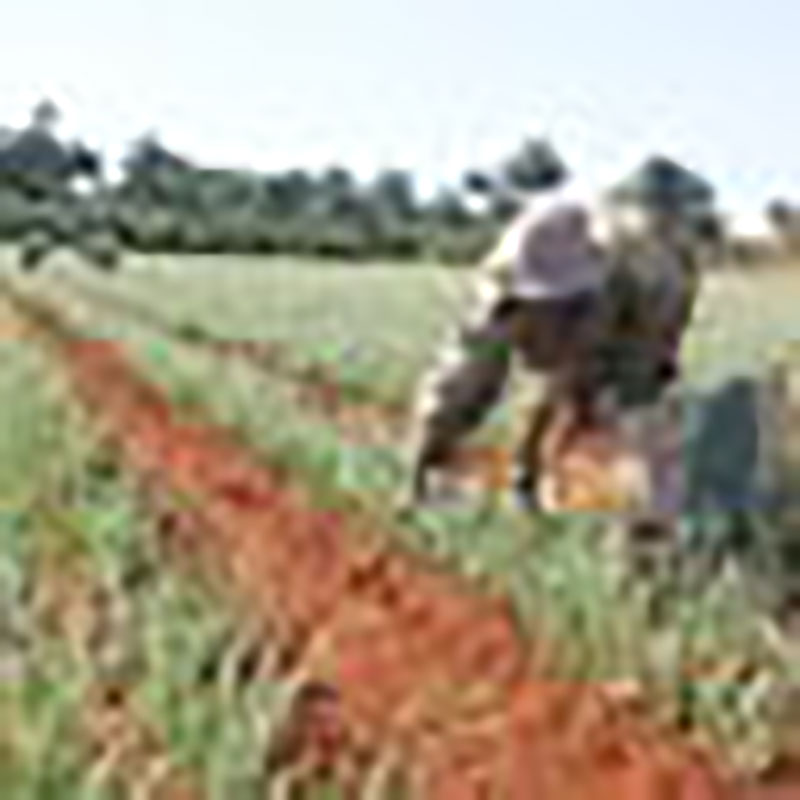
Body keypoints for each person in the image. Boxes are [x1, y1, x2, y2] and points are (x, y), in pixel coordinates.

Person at [399, 146, 612, 511]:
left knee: (552, 392)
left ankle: (525, 482)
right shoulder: (505, 292)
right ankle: (423, 477)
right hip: (512, 298)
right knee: (465, 386)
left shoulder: (584, 277)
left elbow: (565, 378)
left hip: (568, 296)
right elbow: (453, 385)